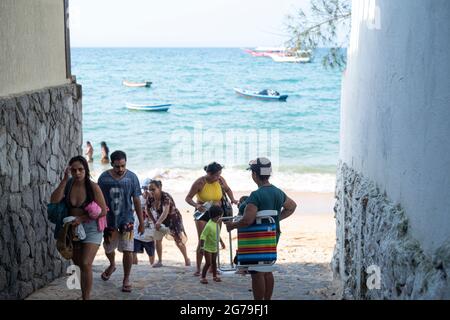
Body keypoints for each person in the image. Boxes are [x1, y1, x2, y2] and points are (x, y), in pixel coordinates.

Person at [224, 157, 297, 300]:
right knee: (267, 268)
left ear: (254, 175)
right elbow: (292, 207)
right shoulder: (278, 192)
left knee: (256, 272)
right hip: (272, 235)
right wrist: (275, 221)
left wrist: (232, 226)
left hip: (256, 238)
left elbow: (247, 220)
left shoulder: (256, 196)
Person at [50, 156, 107, 300]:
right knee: (78, 264)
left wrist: (81, 218)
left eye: (80, 169)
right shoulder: (68, 185)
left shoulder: (93, 187)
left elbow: (103, 211)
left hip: (92, 228)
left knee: (86, 263)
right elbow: (54, 200)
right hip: (73, 230)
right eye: (74, 170)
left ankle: (86, 297)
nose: (77, 173)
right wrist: (64, 181)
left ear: (85, 170)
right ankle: (83, 294)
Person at [97, 150, 144, 293]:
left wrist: (141, 222)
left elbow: (136, 200)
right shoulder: (103, 178)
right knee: (109, 248)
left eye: (123, 166)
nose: (120, 169)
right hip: (109, 220)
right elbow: (98, 198)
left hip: (127, 219)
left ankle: (126, 278)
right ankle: (112, 265)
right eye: (117, 166)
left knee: (128, 250)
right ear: (111, 164)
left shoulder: (132, 178)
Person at [185, 162, 238, 276]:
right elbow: (188, 198)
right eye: (216, 175)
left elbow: (228, 190)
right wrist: (196, 205)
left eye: (220, 174)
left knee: (214, 241)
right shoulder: (200, 182)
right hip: (202, 213)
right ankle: (198, 268)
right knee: (202, 240)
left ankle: (212, 267)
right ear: (209, 173)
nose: (218, 177)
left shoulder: (220, 180)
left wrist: (232, 199)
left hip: (217, 214)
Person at [147, 179, 190, 267]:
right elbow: (147, 209)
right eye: (149, 189)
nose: (151, 192)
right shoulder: (150, 197)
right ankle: (159, 261)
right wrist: (155, 221)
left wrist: (158, 222)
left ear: (159, 188)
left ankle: (186, 258)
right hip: (160, 219)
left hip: (173, 219)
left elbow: (165, 211)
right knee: (157, 239)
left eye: (153, 189)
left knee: (178, 240)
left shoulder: (166, 197)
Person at [132, 180, 155, 266]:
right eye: (144, 188)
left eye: (148, 189)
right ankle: (135, 268)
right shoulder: (137, 198)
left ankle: (152, 267)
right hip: (137, 231)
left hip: (149, 233)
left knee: (151, 254)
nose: (146, 191)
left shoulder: (155, 201)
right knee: (133, 252)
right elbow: (131, 211)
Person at [199, 205, 223, 284]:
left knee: (214, 262)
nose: (220, 218)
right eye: (219, 216)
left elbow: (217, 234)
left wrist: (221, 242)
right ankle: (203, 277)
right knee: (208, 263)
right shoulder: (209, 225)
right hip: (207, 248)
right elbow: (203, 236)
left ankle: (214, 276)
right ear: (216, 216)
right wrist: (202, 247)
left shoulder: (217, 224)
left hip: (215, 247)